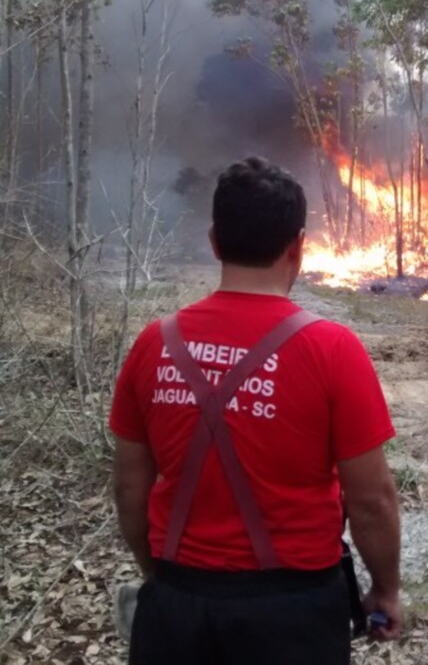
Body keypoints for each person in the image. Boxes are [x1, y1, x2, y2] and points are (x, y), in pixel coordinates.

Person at [109, 156, 401, 665]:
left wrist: (156, 577)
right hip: (294, 616)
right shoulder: (333, 350)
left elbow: (130, 488)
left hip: (177, 605)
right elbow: (372, 500)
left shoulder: (154, 343)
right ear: (298, 247)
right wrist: (386, 590)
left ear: (215, 241)